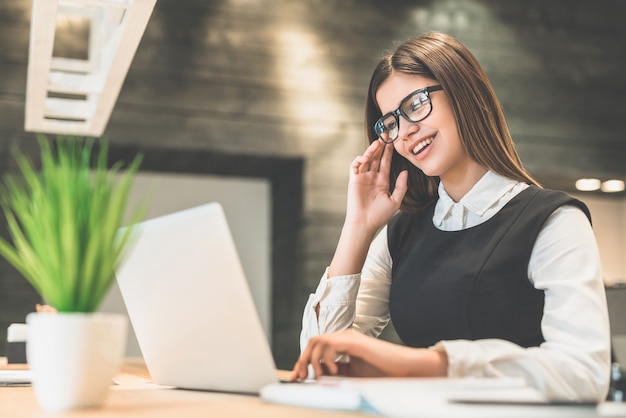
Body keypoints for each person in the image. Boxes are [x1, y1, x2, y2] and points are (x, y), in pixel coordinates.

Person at [289, 31, 611, 403]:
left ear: (463, 93)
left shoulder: (553, 221)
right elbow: (319, 362)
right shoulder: (400, 236)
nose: (406, 130)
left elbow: (585, 372)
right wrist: (358, 227)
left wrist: (432, 364)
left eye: (415, 104)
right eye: (390, 122)